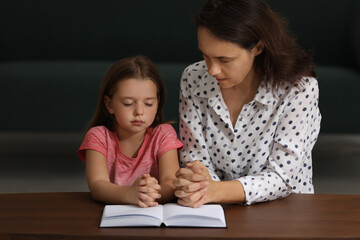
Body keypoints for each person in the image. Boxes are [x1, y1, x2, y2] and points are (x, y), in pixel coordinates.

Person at [173, 0, 321, 207]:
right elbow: (194, 156)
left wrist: (215, 191)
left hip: (285, 212)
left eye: (224, 60)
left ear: (258, 47)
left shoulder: (298, 89)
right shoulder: (193, 78)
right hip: (214, 210)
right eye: (205, 56)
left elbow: (282, 177)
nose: (212, 70)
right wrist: (201, 187)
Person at [78, 55, 183, 207]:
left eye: (148, 103)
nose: (139, 111)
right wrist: (130, 194)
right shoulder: (98, 136)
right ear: (109, 104)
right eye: (128, 103)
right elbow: (97, 185)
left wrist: (148, 195)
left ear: (158, 103)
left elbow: (171, 182)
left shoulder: (163, 134)